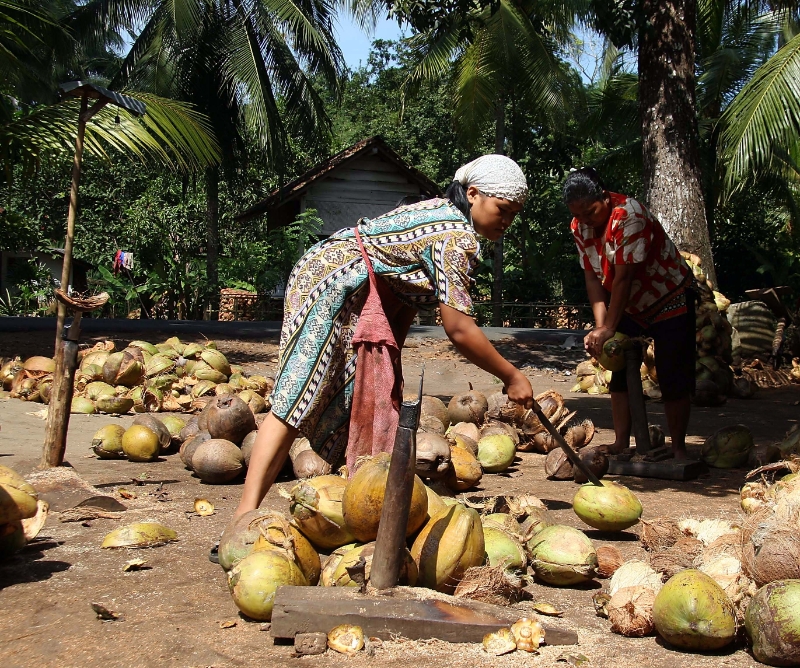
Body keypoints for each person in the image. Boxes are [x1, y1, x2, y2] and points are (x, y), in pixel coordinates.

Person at [233, 155, 535, 521]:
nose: (507, 221)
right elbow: (458, 329)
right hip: (331, 282)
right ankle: (243, 518)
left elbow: (405, 293)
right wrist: (511, 376)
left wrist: (390, 364)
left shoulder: (447, 219)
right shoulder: (454, 236)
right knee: (295, 397)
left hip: (355, 289)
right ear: (473, 194)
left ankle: (353, 502)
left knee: (360, 394)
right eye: (502, 210)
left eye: (514, 214)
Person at [563, 167, 694, 459]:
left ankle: (679, 449)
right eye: (579, 215)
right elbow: (592, 277)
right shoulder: (578, 225)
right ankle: (622, 441)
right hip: (629, 304)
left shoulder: (628, 215)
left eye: (590, 212)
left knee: (673, 374)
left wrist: (609, 326)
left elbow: (624, 277)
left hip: (668, 296)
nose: (585, 220)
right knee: (619, 372)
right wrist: (601, 328)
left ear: (605, 198)